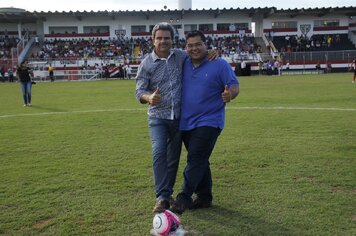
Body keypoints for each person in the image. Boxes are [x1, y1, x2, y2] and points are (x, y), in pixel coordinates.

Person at [170, 30, 239, 214]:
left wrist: (229, 94)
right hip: (186, 122)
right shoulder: (183, 62)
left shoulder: (219, 64)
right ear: (186, 48)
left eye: (198, 44)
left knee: (196, 158)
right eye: (190, 45)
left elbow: (234, 85)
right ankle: (204, 197)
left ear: (206, 45)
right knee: (200, 159)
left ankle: (183, 198)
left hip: (210, 120)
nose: (194, 48)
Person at [135, 22, 187, 214]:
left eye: (166, 38)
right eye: (159, 38)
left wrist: (212, 53)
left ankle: (167, 195)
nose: (163, 41)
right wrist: (149, 97)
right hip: (157, 117)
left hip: (179, 117)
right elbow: (139, 90)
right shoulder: (146, 63)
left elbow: (200, 55)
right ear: (153, 40)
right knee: (159, 153)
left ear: (172, 40)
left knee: (173, 158)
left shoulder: (181, 56)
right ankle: (161, 197)